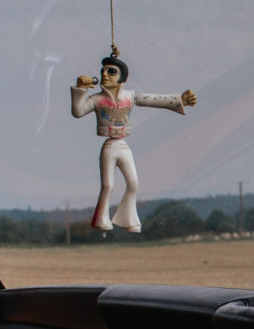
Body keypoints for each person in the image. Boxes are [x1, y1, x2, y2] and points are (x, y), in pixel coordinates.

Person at [70, 54, 197, 232]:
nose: (105, 74)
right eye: (103, 70)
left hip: (123, 146)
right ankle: (101, 220)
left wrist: (179, 100)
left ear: (122, 77)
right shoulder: (97, 99)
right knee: (108, 185)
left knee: (133, 183)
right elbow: (78, 111)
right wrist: (80, 89)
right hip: (108, 147)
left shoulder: (130, 97)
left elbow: (153, 100)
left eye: (111, 71)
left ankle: (128, 219)